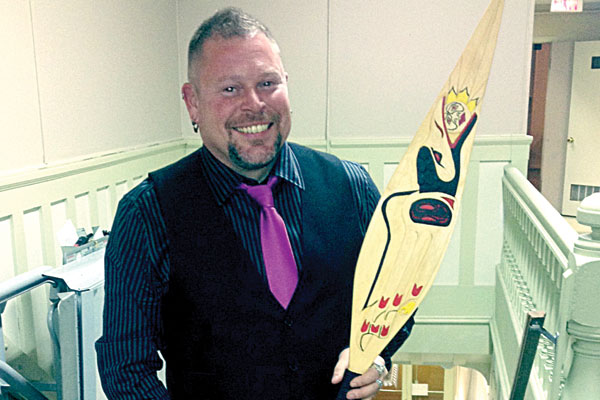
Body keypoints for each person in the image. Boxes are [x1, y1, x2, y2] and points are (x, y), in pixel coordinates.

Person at [96, 7, 414, 400]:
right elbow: (125, 368)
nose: (254, 103)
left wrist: (378, 355)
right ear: (192, 102)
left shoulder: (352, 186)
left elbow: (397, 297)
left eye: (267, 83)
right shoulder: (147, 214)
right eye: (229, 88)